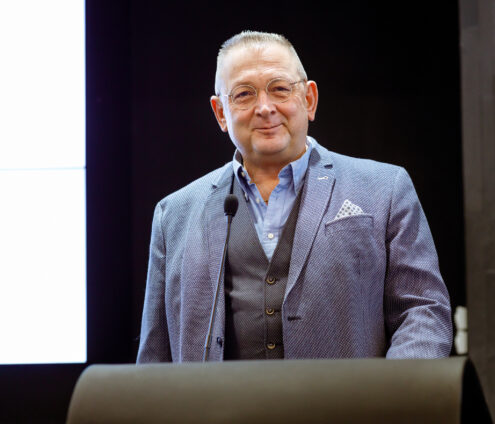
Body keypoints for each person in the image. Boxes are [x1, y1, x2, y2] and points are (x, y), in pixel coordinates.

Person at [137, 31, 452, 362]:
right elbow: (156, 355)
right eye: (243, 94)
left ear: (309, 99)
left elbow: (423, 311)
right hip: (218, 398)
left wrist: (394, 389)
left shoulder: (384, 188)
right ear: (220, 113)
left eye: (280, 89)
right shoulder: (174, 215)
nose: (265, 108)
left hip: (351, 397)